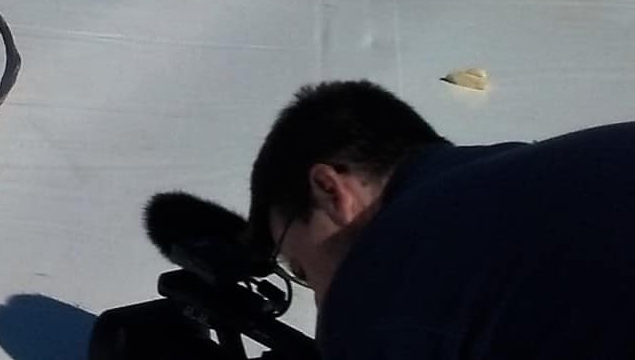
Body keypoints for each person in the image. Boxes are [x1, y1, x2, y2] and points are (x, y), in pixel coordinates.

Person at [247, 78, 635, 358]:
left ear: (330, 190)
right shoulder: (534, 176)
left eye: (301, 269)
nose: (318, 301)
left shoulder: (385, 281)